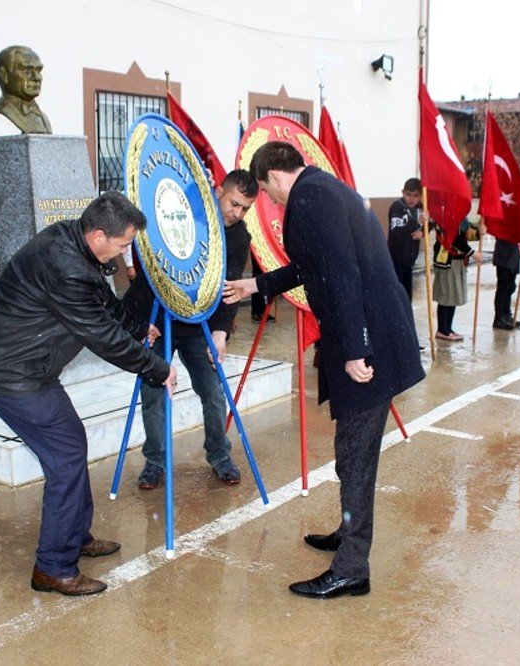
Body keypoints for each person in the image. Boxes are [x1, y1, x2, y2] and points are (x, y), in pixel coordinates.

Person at [222, 142, 425, 599]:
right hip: (374, 334)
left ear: (274, 174)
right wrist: (259, 283)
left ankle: (352, 568)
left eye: (268, 192)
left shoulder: (310, 199)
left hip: (367, 344)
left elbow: (341, 271)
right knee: (350, 448)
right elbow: (312, 267)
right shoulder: (325, 188)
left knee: (355, 454)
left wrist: (355, 349)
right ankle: (347, 530)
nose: (271, 201)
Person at [0, 191, 176, 597]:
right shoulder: (65, 266)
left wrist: (138, 328)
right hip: (11, 375)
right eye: (121, 244)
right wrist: (157, 369)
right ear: (98, 234)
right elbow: (100, 335)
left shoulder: (75, 243)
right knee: (65, 457)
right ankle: (54, 568)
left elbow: (102, 303)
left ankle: (75, 536)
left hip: (29, 368)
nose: (126, 251)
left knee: (70, 444)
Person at [123, 169, 259, 489]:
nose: (236, 213)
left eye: (244, 209)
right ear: (219, 191)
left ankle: (219, 454)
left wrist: (221, 331)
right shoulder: (185, 210)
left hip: (199, 323)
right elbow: (153, 234)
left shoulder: (239, 236)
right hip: (157, 318)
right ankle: (155, 460)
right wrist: (145, 322)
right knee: (153, 391)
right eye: (233, 203)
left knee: (213, 391)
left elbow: (230, 287)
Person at [432, 219, 478, 341]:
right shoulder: (445, 216)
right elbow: (453, 240)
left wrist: (479, 231)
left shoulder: (462, 217)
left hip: (458, 261)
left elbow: (469, 233)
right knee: (446, 295)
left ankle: (448, 328)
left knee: (453, 296)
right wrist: (471, 253)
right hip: (447, 260)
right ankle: (442, 330)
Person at [0, 46, 52, 134]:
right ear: (3, 74)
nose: (36, 77)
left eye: (38, 71)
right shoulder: (4, 111)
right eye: (26, 71)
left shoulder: (44, 119)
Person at [387, 177, 427, 301]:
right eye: (408, 195)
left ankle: (406, 319)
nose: (411, 199)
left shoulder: (421, 208)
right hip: (396, 259)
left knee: (407, 297)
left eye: (415, 195)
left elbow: (430, 224)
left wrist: (423, 232)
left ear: (420, 195)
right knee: (397, 297)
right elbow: (396, 231)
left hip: (409, 261)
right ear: (403, 192)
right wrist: (415, 223)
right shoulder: (398, 207)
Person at [491, 238, 520, 330]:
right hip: (504, 255)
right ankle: (499, 318)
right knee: (503, 288)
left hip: (513, 254)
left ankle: (506, 315)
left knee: (511, 287)